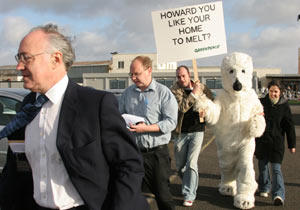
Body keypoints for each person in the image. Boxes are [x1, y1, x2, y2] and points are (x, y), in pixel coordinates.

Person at [0, 23, 149, 210]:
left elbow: (129, 166)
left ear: (55, 59)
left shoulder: (95, 104)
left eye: (26, 58)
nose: (19, 66)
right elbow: (17, 166)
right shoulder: (28, 106)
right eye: (18, 57)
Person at [119, 56, 178, 210]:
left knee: (163, 196)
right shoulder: (127, 94)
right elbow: (119, 117)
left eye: (136, 74)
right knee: (131, 194)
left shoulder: (164, 93)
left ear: (149, 70)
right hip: (134, 153)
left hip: (157, 154)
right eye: (131, 74)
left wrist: (145, 128)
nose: (133, 78)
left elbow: (171, 122)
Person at [170, 65, 213, 207]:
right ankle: (190, 184)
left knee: (192, 163)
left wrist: (205, 102)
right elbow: (182, 107)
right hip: (181, 132)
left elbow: (212, 100)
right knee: (181, 166)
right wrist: (194, 94)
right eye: (179, 76)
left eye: (183, 75)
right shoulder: (174, 90)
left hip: (198, 130)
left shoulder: (201, 86)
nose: (181, 79)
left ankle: (189, 194)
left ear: (189, 75)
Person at [255, 80, 296, 206]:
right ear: (268, 91)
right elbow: (253, 119)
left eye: (276, 91)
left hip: (277, 143)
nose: (273, 94)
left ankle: (278, 194)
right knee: (262, 167)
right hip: (262, 141)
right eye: (271, 91)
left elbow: (289, 126)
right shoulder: (261, 103)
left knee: (276, 168)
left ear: (281, 92)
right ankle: (264, 187)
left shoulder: (284, 106)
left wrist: (292, 144)